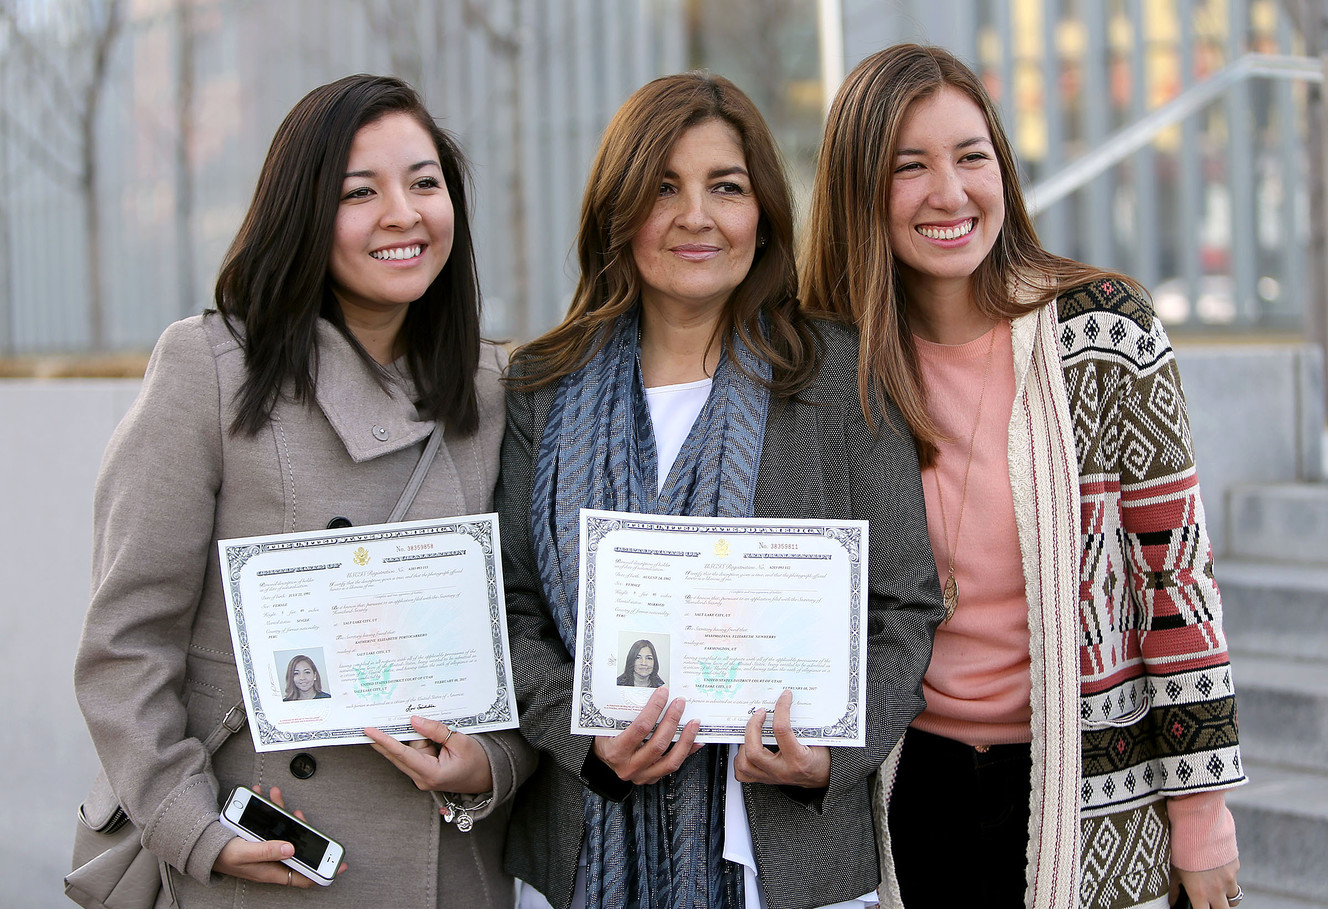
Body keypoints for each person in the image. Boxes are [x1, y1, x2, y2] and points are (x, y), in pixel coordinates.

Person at [800, 44, 1245, 909]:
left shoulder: (1106, 332)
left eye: (972, 156)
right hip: (901, 788)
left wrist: (1203, 812)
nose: (951, 192)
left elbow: (1176, 578)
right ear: (859, 190)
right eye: (910, 166)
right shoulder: (831, 365)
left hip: (1088, 780)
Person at [73, 74, 534, 908]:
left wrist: (495, 762)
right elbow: (126, 641)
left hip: (446, 862)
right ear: (303, 212)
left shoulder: (495, 386)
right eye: (361, 192)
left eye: (424, 183)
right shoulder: (209, 370)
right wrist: (194, 827)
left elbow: (528, 620)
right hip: (268, 854)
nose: (403, 213)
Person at [498, 71, 944, 909]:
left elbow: (905, 605)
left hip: (789, 858)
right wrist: (584, 732)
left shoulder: (842, 375)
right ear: (618, 209)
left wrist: (831, 755)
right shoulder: (541, 387)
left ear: (764, 213)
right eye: (663, 186)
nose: (696, 216)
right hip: (579, 846)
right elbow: (513, 607)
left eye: (725, 187)